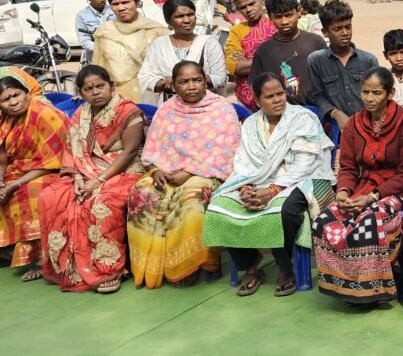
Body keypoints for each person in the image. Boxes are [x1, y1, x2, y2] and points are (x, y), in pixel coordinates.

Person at [202, 72, 335, 298]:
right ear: (257, 100)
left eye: (280, 94)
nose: (277, 100)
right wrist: (245, 188)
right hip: (258, 179)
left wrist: (272, 190)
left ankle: (285, 268)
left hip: (301, 178)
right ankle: (250, 264)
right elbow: (244, 162)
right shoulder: (251, 124)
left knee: (285, 211)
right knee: (218, 207)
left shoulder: (302, 118)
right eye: (270, 96)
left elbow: (305, 163)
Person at [126, 61, 239, 289]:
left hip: (209, 173)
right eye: (184, 82)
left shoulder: (222, 109)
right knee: (142, 193)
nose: (191, 86)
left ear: (205, 81)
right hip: (166, 172)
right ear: (173, 85)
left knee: (191, 200)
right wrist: (156, 170)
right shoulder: (166, 110)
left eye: (197, 80)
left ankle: (189, 265)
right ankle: (154, 266)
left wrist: (188, 173)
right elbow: (153, 150)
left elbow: (227, 153)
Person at [312, 67, 403, 305]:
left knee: (368, 221)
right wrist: (343, 192)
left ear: (390, 94)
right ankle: (344, 285)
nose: (370, 98)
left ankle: (371, 289)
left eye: (377, 93)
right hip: (364, 187)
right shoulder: (354, 124)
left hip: (399, 190)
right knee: (324, 220)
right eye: (365, 92)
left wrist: (372, 198)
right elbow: (348, 168)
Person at [39, 65, 146, 293]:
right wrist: (77, 176)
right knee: (52, 196)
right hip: (85, 170)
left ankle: (108, 269)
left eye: (100, 86)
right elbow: (73, 149)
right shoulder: (82, 113)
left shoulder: (128, 111)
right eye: (89, 89)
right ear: (81, 92)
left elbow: (129, 152)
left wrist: (98, 180)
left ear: (111, 86)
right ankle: (66, 267)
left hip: (124, 170)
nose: (96, 92)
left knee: (101, 201)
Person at [0, 75, 67, 281]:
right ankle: (6, 252)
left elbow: (53, 161)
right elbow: (2, 159)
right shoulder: (5, 120)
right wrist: (1, 182)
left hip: (54, 170)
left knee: (29, 193)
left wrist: (14, 185)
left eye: (16, 95)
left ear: (27, 93)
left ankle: (41, 259)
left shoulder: (46, 115)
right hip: (18, 170)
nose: (13, 102)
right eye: (5, 99)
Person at [137, 0, 226, 104]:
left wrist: (190, 80)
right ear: (168, 20)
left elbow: (220, 78)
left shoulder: (209, 43)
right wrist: (165, 83)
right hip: (170, 106)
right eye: (179, 16)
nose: (187, 20)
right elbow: (145, 77)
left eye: (190, 14)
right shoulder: (159, 44)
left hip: (205, 106)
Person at [306, 0, 378, 130]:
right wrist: (335, 113)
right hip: (335, 130)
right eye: (337, 29)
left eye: (348, 27)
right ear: (325, 32)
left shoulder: (368, 60)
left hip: (367, 128)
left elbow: (378, 95)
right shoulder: (316, 60)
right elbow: (316, 96)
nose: (345, 33)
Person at [92, 0, 169, 101]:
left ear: (137, 2)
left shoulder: (156, 31)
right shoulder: (104, 31)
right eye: (115, 4)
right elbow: (97, 66)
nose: (121, 8)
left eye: (126, 2)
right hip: (114, 97)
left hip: (148, 95)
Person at [249, 0, 327, 106]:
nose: (284, 21)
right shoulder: (264, 51)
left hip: (317, 109)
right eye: (278, 17)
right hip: (282, 112)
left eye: (289, 15)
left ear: (298, 11)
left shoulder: (316, 42)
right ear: (269, 16)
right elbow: (258, 88)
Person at [224, 0, 274, 110]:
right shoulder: (237, 30)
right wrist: (272, 60)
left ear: (261, 1)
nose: (248, 10)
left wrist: (247, 60)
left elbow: (288, 58)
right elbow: (233, 66)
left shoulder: (277, 25)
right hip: (247, 98)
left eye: (252, 4)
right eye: (243, 7)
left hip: (278, 93)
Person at [75, 0, 114, 65]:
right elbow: (84, 41)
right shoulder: (81, 15)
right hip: (94, 58)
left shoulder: (114, 10)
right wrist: (102, 48)